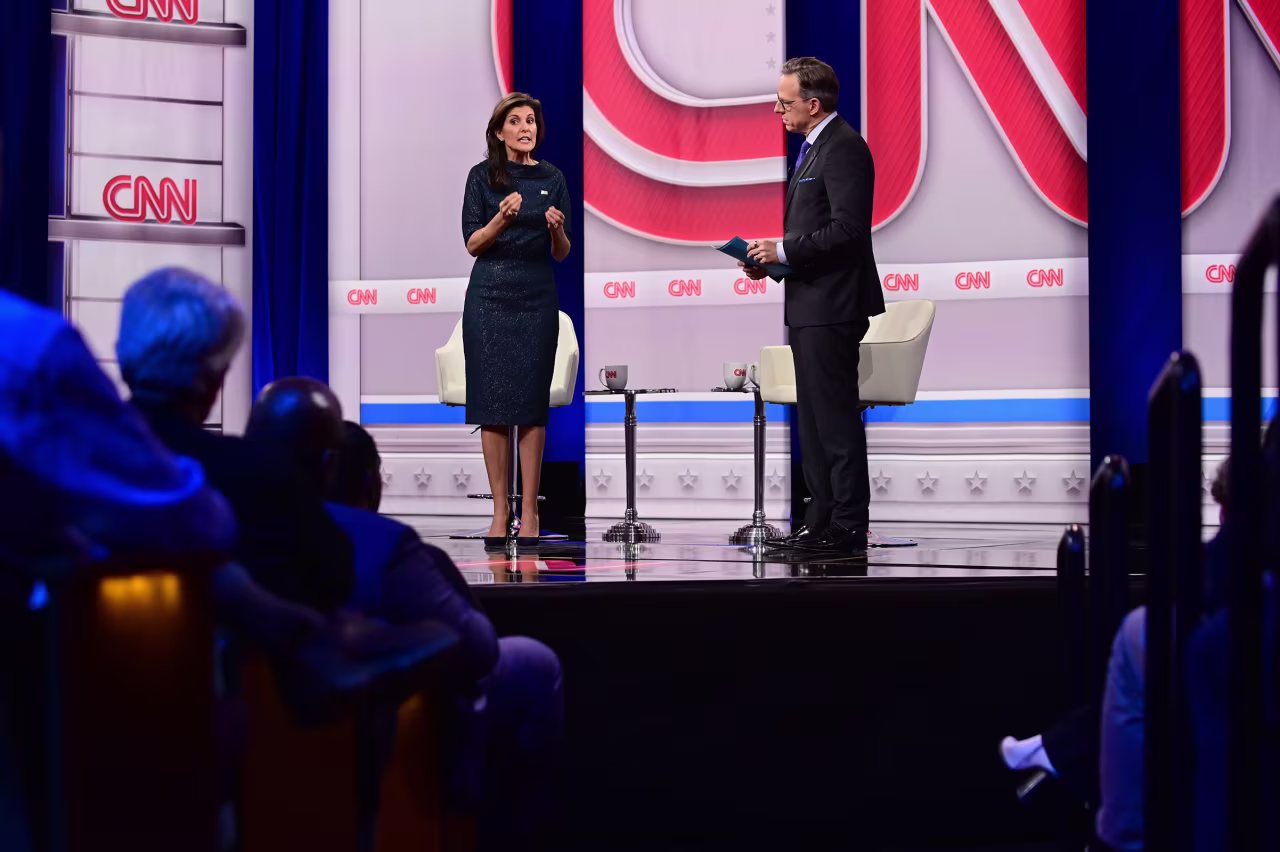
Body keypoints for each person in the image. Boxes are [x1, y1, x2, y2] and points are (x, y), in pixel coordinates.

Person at [249, 384, 563, 850]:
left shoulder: (225, 530)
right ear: (346, 473)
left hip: (259, 747)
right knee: (533, 664)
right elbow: (478, 649)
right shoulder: (386, 543)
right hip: (365, 717)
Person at [116, 267, 355, 613]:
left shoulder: (68, 458)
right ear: (214, 375)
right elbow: (333, 581)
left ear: (122, 357)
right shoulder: (262, 478)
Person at [742, 57, 885, 555]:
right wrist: (773, 261)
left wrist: (784, 250)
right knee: (814, 422)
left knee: (836, 421)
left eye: (784, 102)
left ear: (813, 103)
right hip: (808, 301)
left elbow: (847, 230)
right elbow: (813, 234)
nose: (777, 110)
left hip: (835, 304)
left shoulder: (844, 147)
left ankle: (848, 525)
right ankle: (819, 521)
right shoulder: (810, 149)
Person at [461, 92, 573, 546]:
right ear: (499, 131)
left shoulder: (552, 177)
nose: (527, 127)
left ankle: (529, 514)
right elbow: (472, 243)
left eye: (531, 121)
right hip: (490, 296)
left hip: (536, 296)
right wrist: (501, 221)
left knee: (530, 406)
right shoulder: (482, 178)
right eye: (517, 121)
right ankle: (499, 511)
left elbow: (562, 253)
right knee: (492, 405)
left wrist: (556, 229)